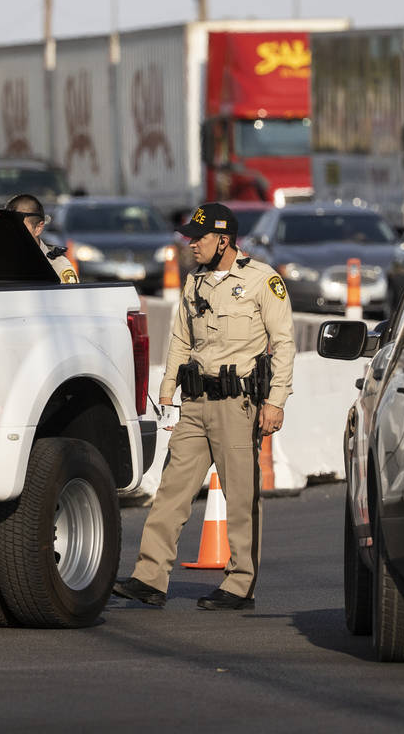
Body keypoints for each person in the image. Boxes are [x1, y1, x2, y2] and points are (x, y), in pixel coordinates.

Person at [114, 202, 294, 611]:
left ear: (224, 240)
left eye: (199, 238)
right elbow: (181, 340)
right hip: (195, 403)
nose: (191, 245)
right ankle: (150, 577)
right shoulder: (194, 283)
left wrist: (275, 401)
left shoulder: (263, 281)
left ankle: (239, 583)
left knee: (241, 497)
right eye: (190, 238)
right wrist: (167, 391)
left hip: (238, 404)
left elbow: (283, 344)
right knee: (171, 491)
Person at [5, 193, 78, 283]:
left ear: (38, 228)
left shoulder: (58, 268)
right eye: (8, 226)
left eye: (19, 226)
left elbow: (70, 296)